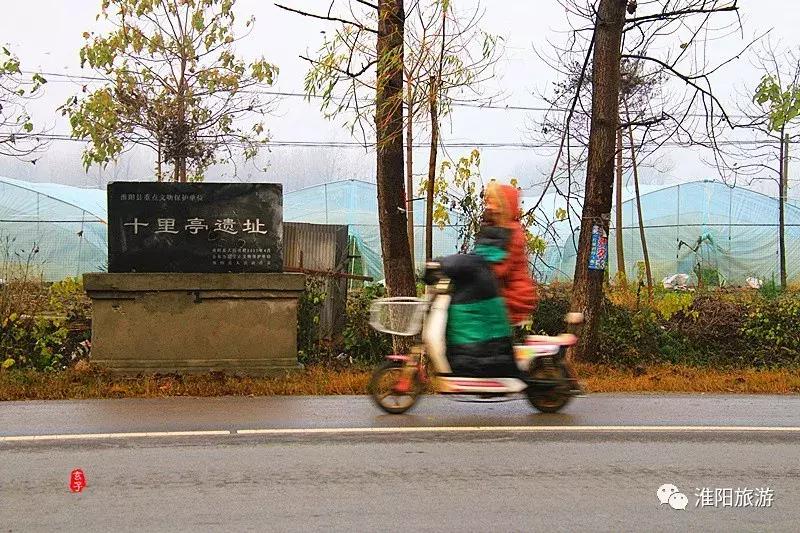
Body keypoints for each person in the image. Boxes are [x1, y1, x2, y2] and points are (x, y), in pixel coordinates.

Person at [475, 181, 539, 341]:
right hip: (499, 292)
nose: (489, 206)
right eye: (488, 201)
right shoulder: (494, 229)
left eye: (494, 202)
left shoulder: (513, 233)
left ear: (504, 205)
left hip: (514, 295)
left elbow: (498, 268)